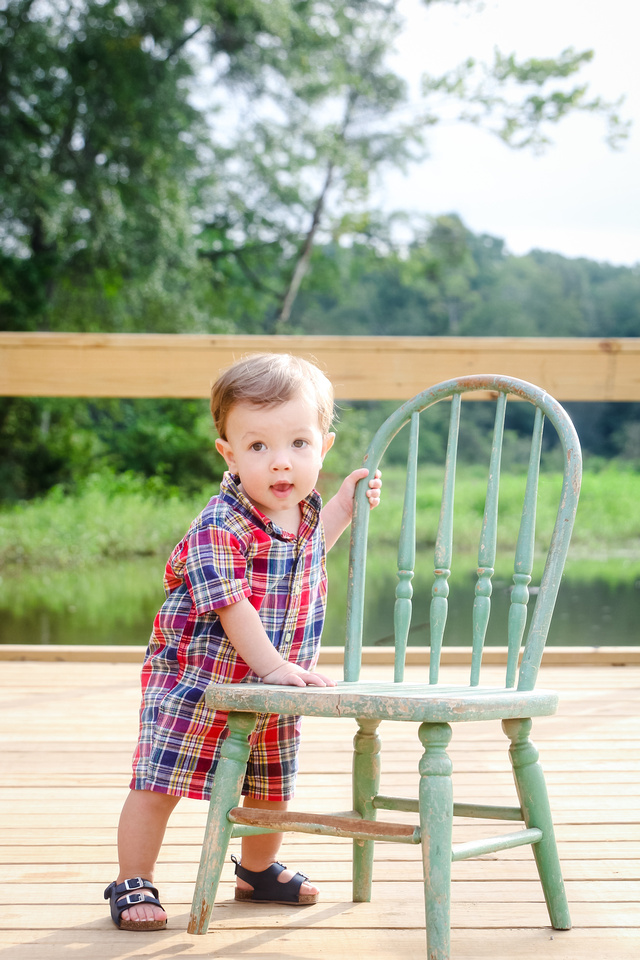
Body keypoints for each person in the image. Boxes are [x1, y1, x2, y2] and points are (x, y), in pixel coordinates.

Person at [105, 352, 382, 931]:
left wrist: (343, 508)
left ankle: (259, 870)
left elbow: (308, 552)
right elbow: (230, 604)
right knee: (161, 779)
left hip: (272, 680)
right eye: (258, 448)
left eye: (298, 445)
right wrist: (275, 666)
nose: (281, 463)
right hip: (196, 680)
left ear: (323, 447)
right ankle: (133, 881)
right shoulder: (219, 525)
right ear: (229, 454)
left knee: (270, 783)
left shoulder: (301, 512)